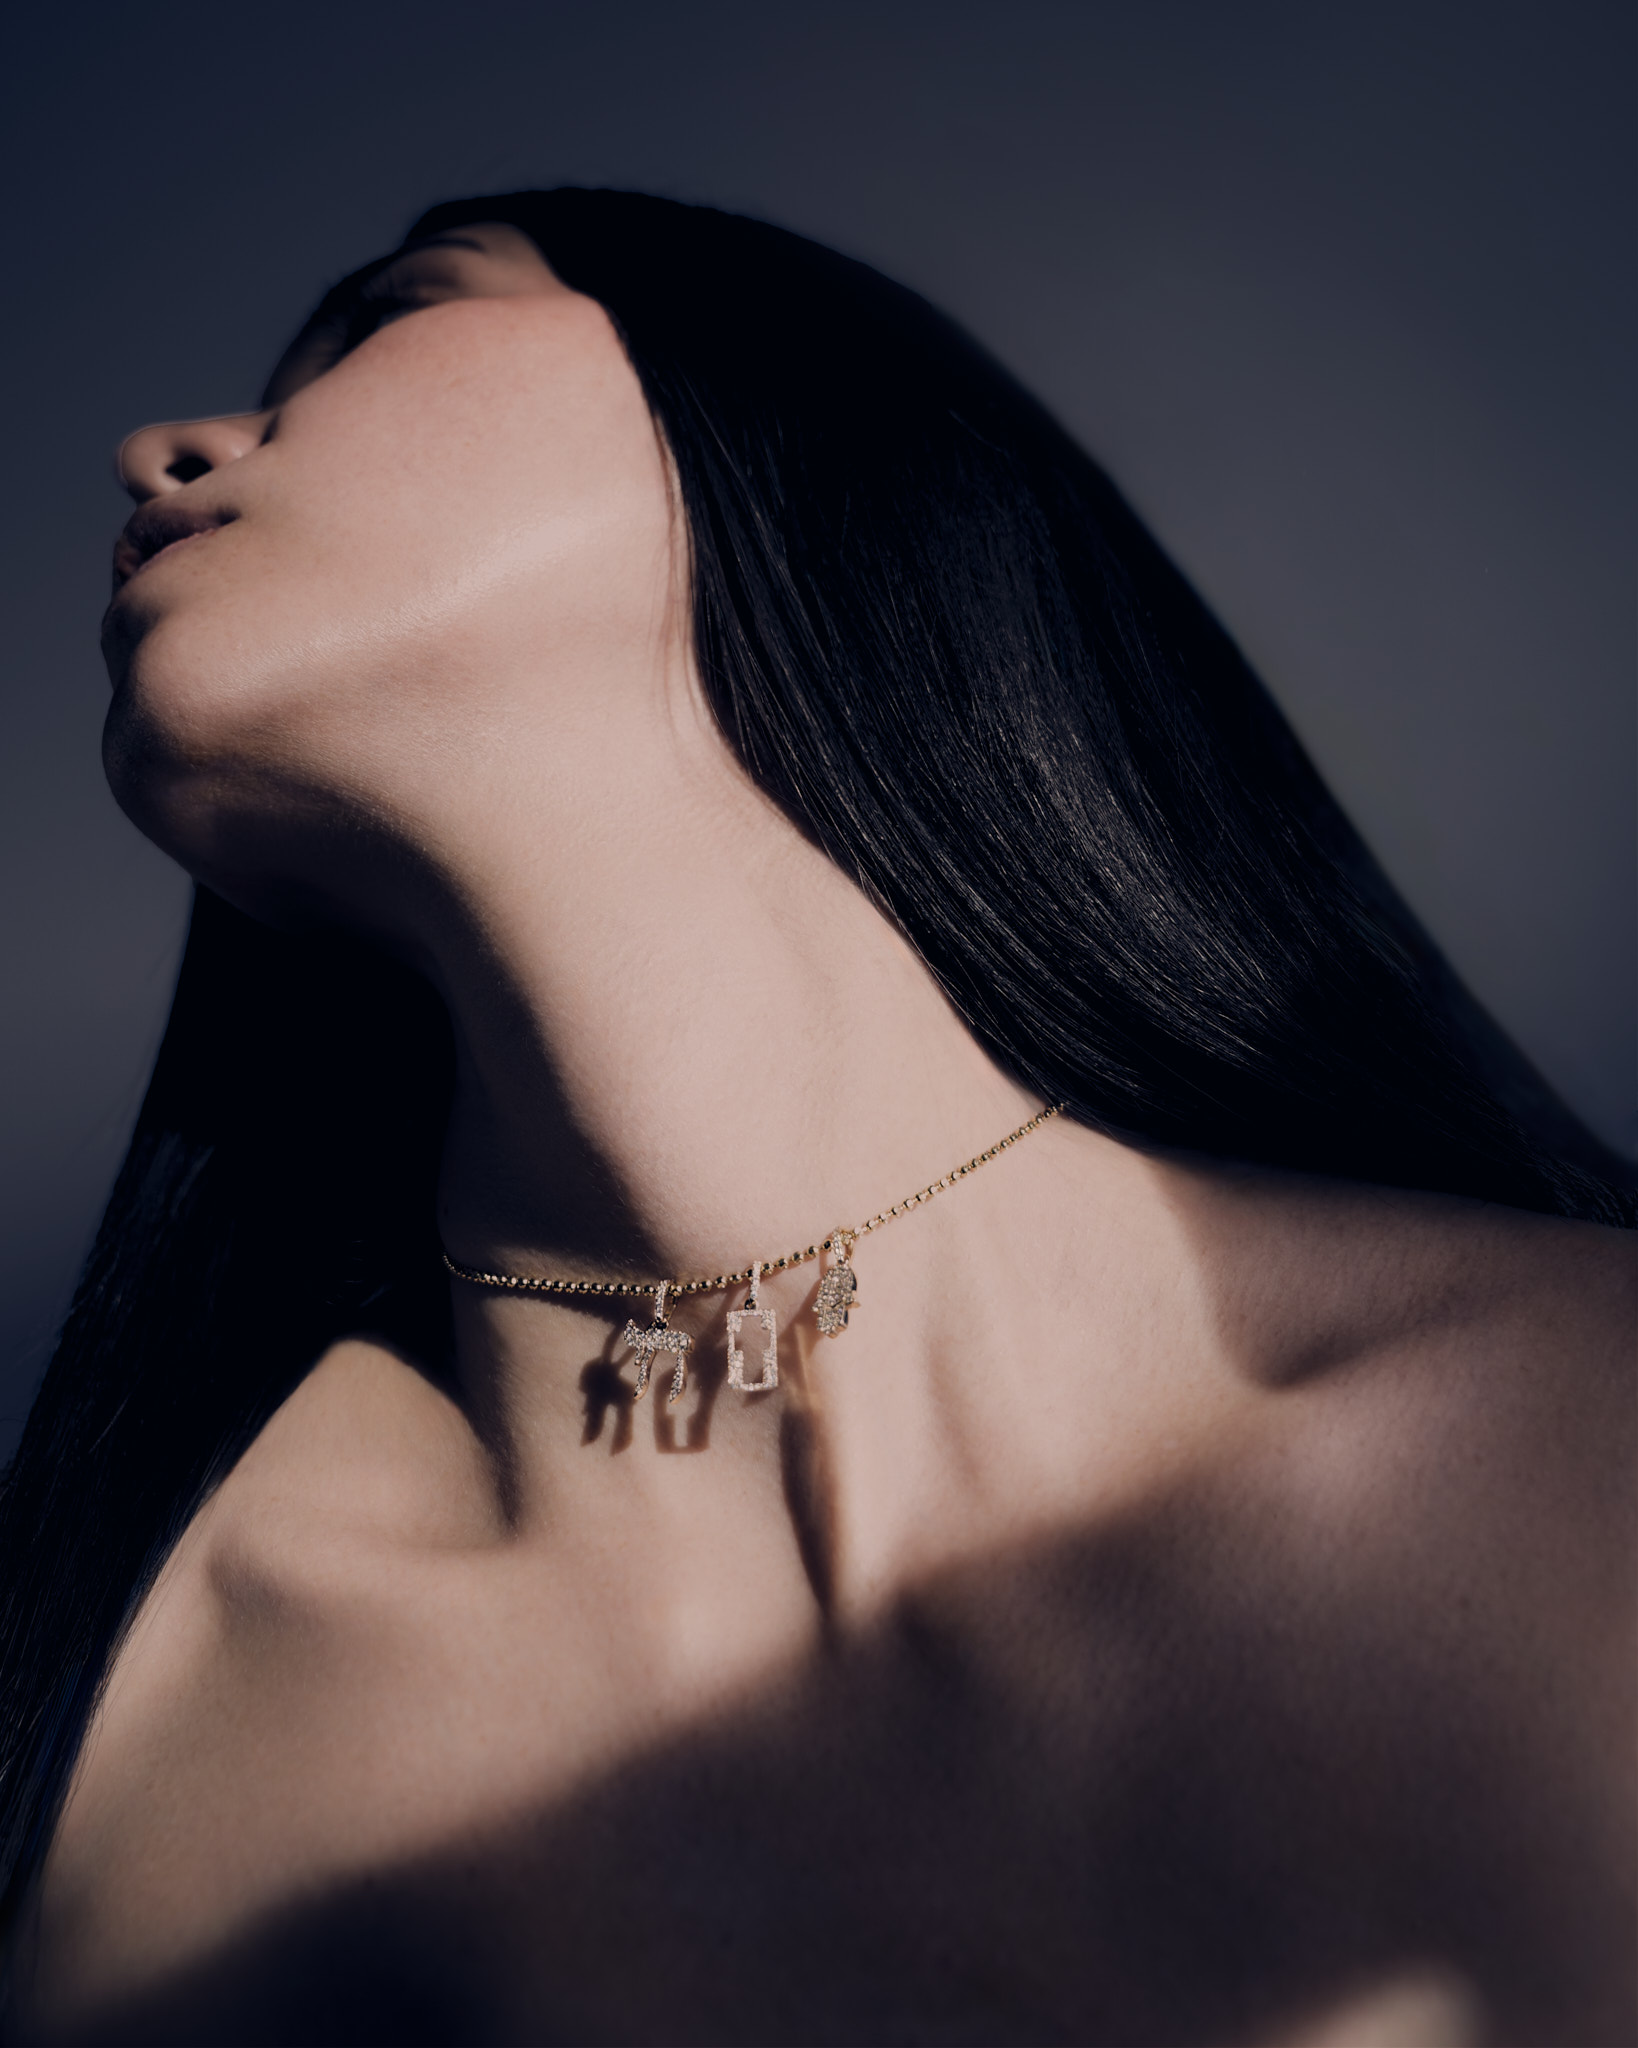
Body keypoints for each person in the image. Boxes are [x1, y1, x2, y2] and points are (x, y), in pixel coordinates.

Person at [0, 189, 1631, 2047]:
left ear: (784, 427)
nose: (165, 446)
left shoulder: (1584, 1420)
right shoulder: (154, 1706)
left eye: (385, 321)